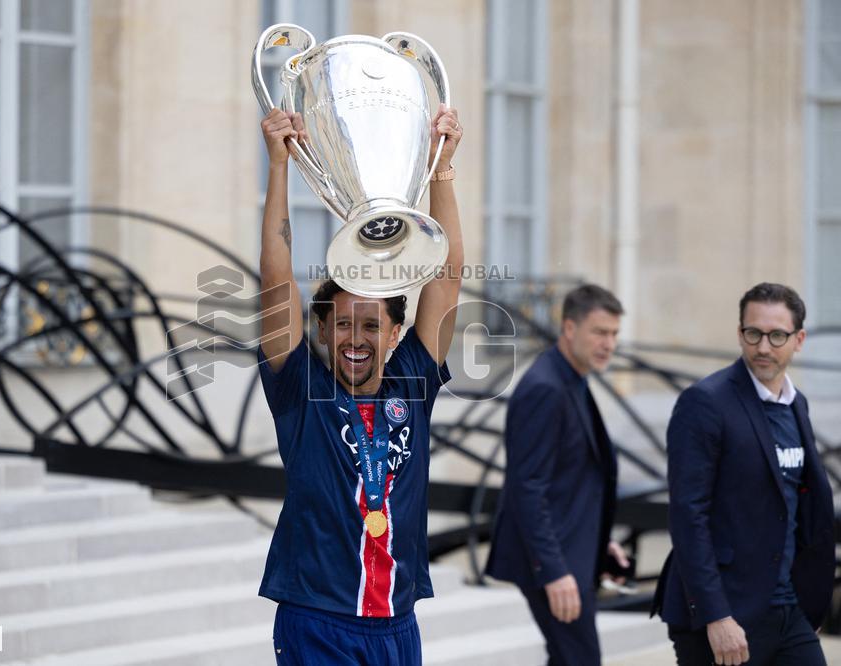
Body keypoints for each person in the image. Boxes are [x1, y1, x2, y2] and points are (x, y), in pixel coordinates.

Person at [255, 103, 464, 665]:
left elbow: (447, 278)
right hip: (318, 620)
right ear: (323, 328)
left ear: (395, 332)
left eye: (371, 325)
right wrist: (277, 167)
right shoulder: (303, 391)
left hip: (396, 624)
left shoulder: (413, 383)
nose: (355, 337)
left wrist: (441, 169)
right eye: (342, 322)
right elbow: (276, 286)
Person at [652, 283, 835, 666]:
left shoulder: (795, 403)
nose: (763, 347)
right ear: (740, 333)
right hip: (725, 612)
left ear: (798, 339)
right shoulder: (705, 402)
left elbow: (799, 507)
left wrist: (808, 600)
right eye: (753, 333)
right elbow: (689, 516)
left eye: (777, 335)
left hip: (787, 607)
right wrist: (716, 615)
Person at [485, 284, 630, 666]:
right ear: (569, 328)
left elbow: (575, 479)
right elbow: (526, 489)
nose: (609, 344)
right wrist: (554, 572)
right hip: (552, 562)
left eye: (614, 334)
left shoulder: (572, 378)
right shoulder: (545, 388)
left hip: (572, 552)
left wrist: (601, 542)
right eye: (599, 332)